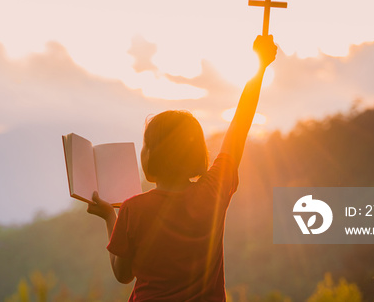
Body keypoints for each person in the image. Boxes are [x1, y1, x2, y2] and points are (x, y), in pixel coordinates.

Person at [86, 34, 278, 301]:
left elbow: (123, 274)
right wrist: (260, 68)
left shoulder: (133, 209)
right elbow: (239, 128)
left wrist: (110, 217)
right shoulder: (212, 193)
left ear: (153, 154)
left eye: (145, 144)